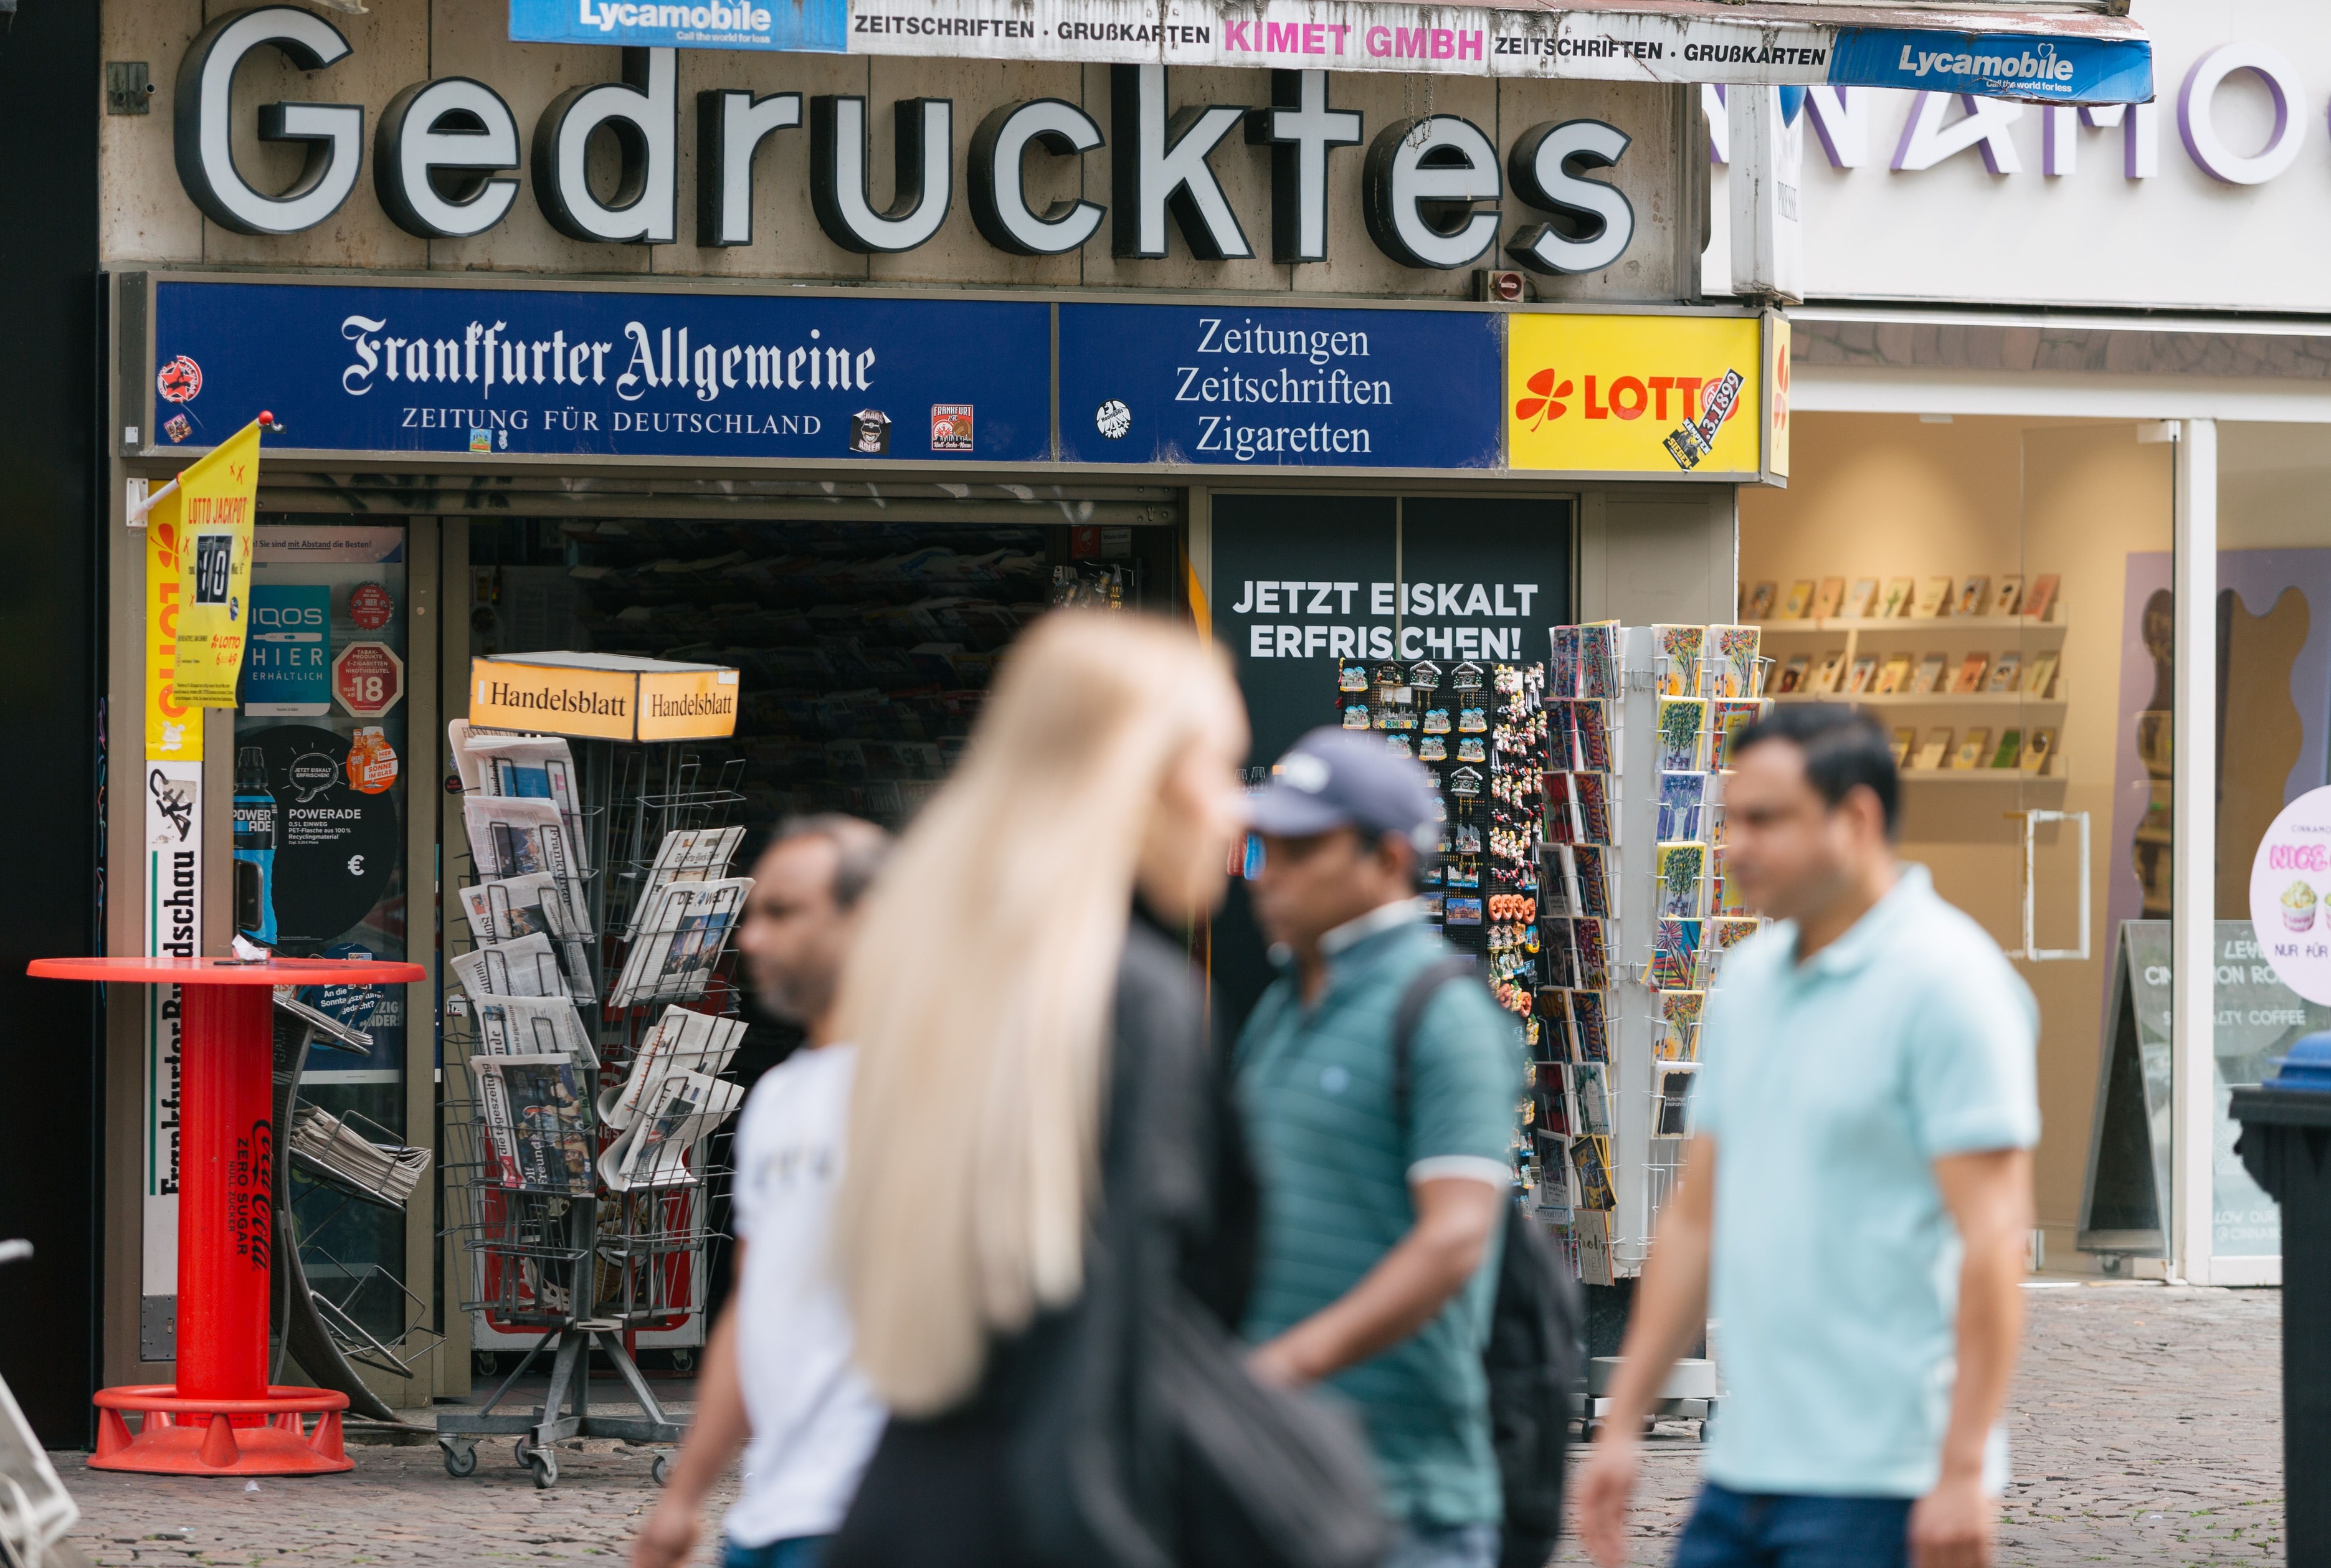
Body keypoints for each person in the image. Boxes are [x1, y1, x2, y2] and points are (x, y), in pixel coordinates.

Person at [821, 611, 1269, 1568]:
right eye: (1224, 768)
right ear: (1141, 774)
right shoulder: (1128, 1003)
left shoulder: (935, 987)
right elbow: (1114, 1348)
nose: (1239, 811)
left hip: (910, 1506)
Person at [1576, 703, 2039, 1568]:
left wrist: (1963, 1468)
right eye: (1728, 822)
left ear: (1856, 819)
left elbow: (1993, 1242)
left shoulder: (1952, 985)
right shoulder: (1746, 985)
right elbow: (1695, 1221)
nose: (1735, 847)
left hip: (1886, 1482)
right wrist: (1623, 1423)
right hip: (1744, 1469)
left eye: (1765, 820)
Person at [1234, 726, 1524, 1568]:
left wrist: (1285, 1367)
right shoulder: (1282, 1008)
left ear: (1389, 859)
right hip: (1273, 1481)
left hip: (1400, 1503)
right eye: (1264, 844)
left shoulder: (1444, 1013)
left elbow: (1456, 1236)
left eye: (1302, 846)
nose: (1270, 870)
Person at [630, 814, 894, 1568]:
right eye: (751, 915)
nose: (750, 939)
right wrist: (682, 1500)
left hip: (882, 1511)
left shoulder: (931, 1085)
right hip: (771, 1511)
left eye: (783, 913)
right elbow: (755, 1309)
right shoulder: (778, 1099)